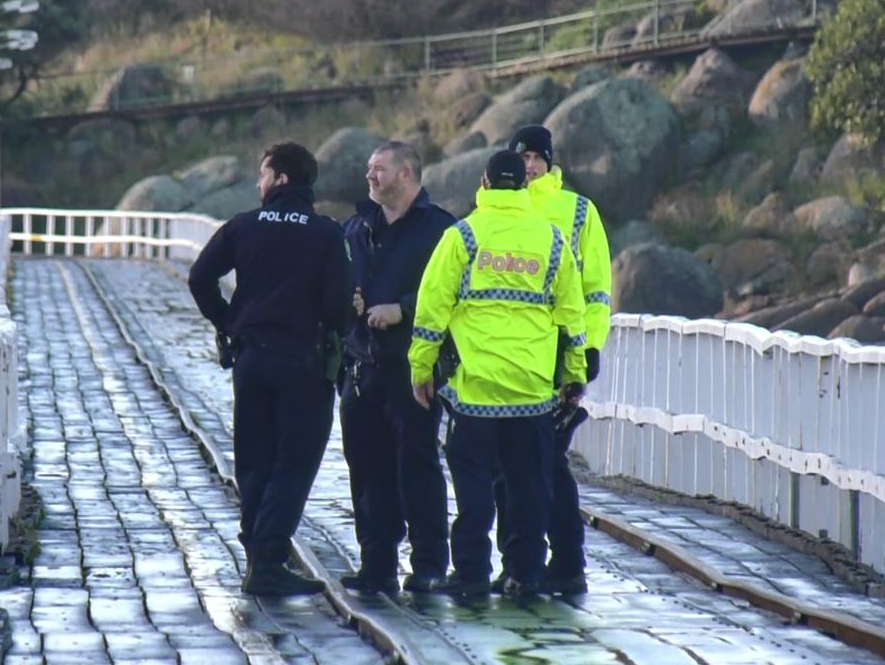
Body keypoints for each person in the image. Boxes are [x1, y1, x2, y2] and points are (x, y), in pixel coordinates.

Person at [408, 150, 588, 597]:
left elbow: (431, 309)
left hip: (475, 393)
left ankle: (469, 573)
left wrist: (421, 368)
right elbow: (572, 315)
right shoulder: (550, 239)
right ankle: (524, 573)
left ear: (484, 185)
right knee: (529, 489)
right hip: (531, 394)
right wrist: (574, 373)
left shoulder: (462, 236)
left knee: (473, 491)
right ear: (524, 188)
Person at [188, 141, 354, 597]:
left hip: (251, 359)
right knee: (295, 461)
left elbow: (199, 278)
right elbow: (340, 305)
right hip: (303, 361)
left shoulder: (243, 226)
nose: (258, 183)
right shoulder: (325, 234)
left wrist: (229, 323)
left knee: (255, 459)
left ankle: (257, 555)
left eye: (262, 174)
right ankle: (269, 558)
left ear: (280, 178)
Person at [493, 124, 613, 595]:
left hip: (560, 360)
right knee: (508, 466)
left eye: (535, 157)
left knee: (549, 466)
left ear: (548, 160)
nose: (528, 166)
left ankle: (566, 560)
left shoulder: (578, 211)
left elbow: (597, 291)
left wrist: (589, 350)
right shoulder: (498, 211)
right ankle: (519, 562)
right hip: (508, 360)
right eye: (520, 158)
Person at [338, 141, 455, 594]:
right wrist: (346, 299)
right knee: (366, 470)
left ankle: (428, 565)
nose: (369, 176)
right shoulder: (355, 227)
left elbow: (455, 292)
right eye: (369, 168)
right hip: (361, 369)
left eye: (378, 169)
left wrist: (403, 309)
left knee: (418, 468)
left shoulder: (441, 231)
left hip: (414, 371)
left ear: (407, 173)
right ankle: (377, 563)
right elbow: (337, 278)